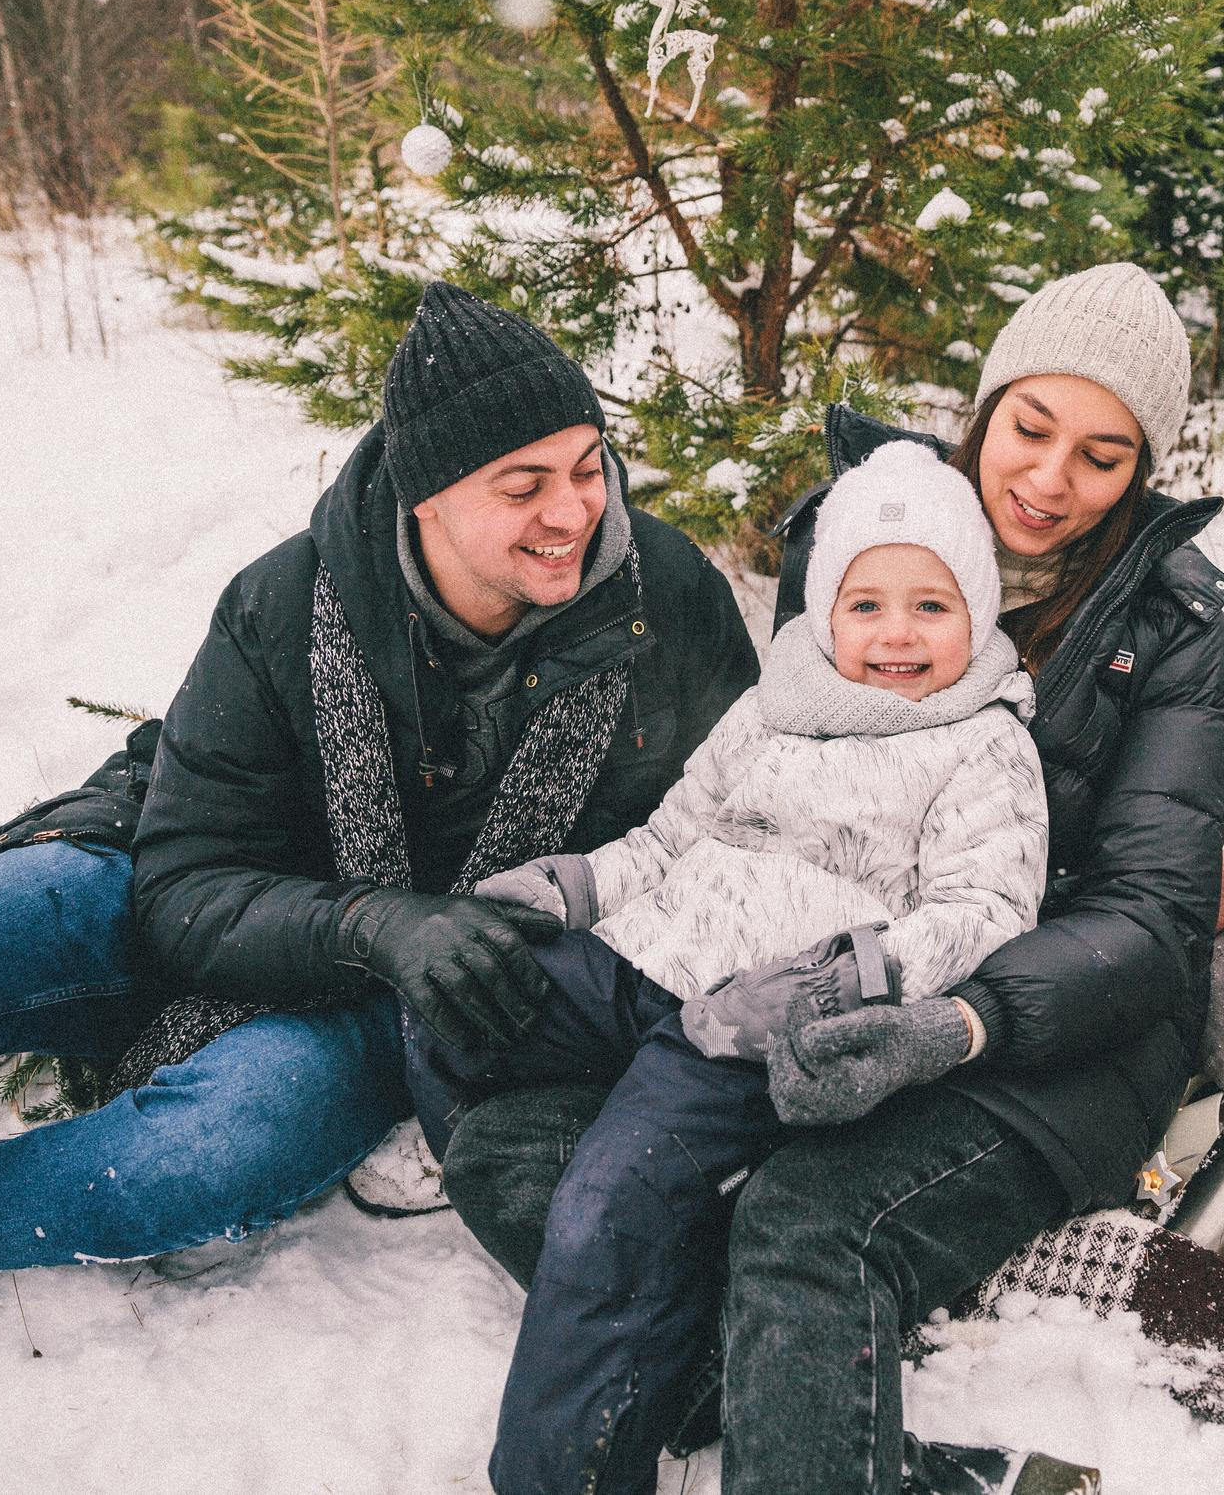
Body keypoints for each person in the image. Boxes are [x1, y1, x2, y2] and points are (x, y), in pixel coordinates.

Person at [0, 282, 759, 1396]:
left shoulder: (669, 609)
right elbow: (180, 879)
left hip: (428, 991)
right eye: (524, 486)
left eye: (585, 466)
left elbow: (750, 833)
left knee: (195, 1156)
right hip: (187, 866)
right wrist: (371, 918)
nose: (573, 512)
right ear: (425, 495)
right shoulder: (290, 601)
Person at [442, 261, 1224, 1495]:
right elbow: (785, 794)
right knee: (510, 1148)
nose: (1048, 479)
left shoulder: (1175, 635)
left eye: (1103, 455)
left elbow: (1149, 919)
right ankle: (791, 1398)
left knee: (806, 1224)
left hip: (1049, 1030)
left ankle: (801, 1387)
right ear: (986, 411)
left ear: (1142, 472)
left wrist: (951, 1019)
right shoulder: (868, 523)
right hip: (807, 975)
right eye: (1030, 428)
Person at [409, 440, 1049, 1495]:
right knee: (451, 991)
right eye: (867, 604)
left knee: (605, 1209)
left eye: (931, 608)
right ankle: (646, 1264)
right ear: (825, 612)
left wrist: (846, 978)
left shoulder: (980, 741)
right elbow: (668, 839)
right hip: (639, 958)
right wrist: (575, 887)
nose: (895, 634)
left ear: (977, 616)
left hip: (745, 1026)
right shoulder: (774, 704)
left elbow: (986, 909)